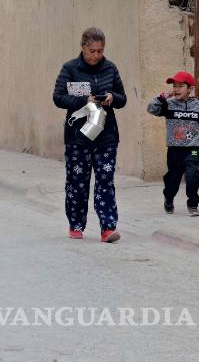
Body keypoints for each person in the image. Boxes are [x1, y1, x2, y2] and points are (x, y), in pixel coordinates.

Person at [52, 27, 127, 243]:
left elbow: (123, 99)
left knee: (105, 181)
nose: (96, 55)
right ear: (83, 48)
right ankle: (76, 224)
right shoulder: (70, 69)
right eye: (92, 51)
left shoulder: (110, 69)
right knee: (77, 182)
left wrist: (112, 97)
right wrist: (84, 100)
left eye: (100, 51)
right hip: (78, 137)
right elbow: (58, 97)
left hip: (106, 137)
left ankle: (108, 228)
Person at [148, 70, 199, 216]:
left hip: (192, 147)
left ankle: (193, 205)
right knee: (173, 178)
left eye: (180, 86)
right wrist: (160, 98)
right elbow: (151, 109)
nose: (176, 89)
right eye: (174, 86)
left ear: (190, 89)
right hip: (174, 149)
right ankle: (169, 197)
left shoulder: (198, 106)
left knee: (192, 175)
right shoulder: (169, 104)